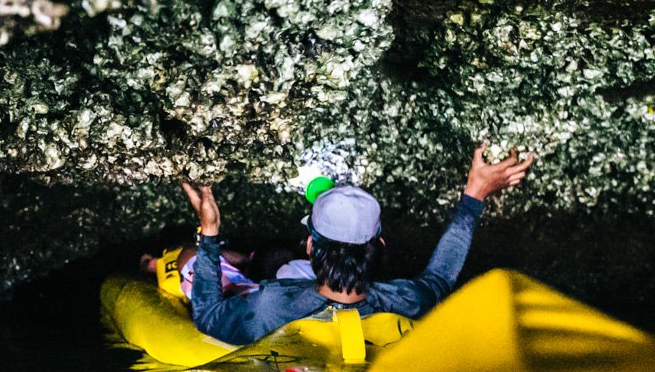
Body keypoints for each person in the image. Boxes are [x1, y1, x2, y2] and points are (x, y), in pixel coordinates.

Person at [181, 144, 536, 345]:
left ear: (310, 246)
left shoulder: (268, 306)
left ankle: (245, 257)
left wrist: (209, 233)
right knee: (282, 264)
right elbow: (440, 279)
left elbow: (208, 316)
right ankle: (258, 256)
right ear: (379, 244)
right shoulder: (406, 300)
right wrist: (473, 196)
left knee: (261, 262)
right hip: (360, 303)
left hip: (290, 289)